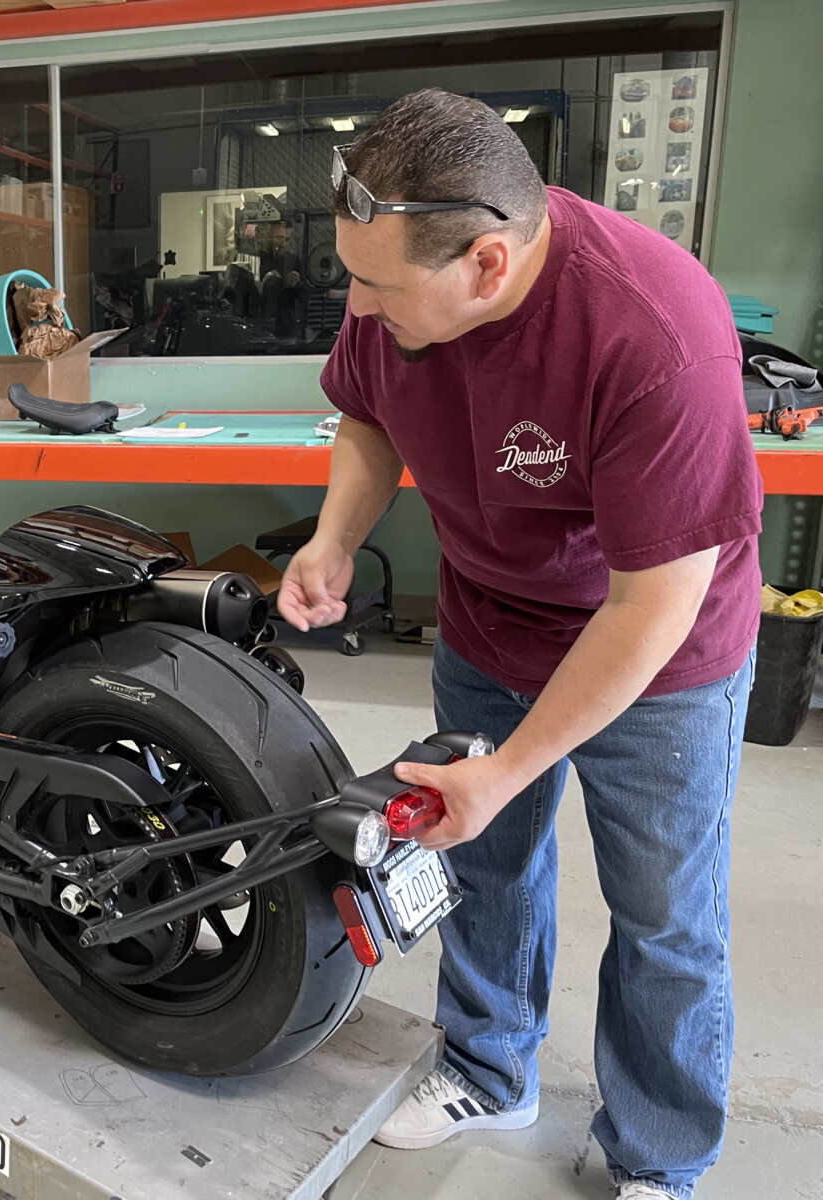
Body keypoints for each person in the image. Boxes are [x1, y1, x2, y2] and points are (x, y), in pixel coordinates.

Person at [277, 89, 761, 1200]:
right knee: (482, 862)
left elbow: (649, 606)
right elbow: (365, 416)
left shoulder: (652, 331)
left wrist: (510, 767)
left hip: (658, 660)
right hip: (490, 623)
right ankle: (489, 1069)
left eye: (376, 287)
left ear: (488, 263)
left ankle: (660, 1156)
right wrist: (333, 539)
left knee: (664, 915)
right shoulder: (397, 269)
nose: (354, 302)